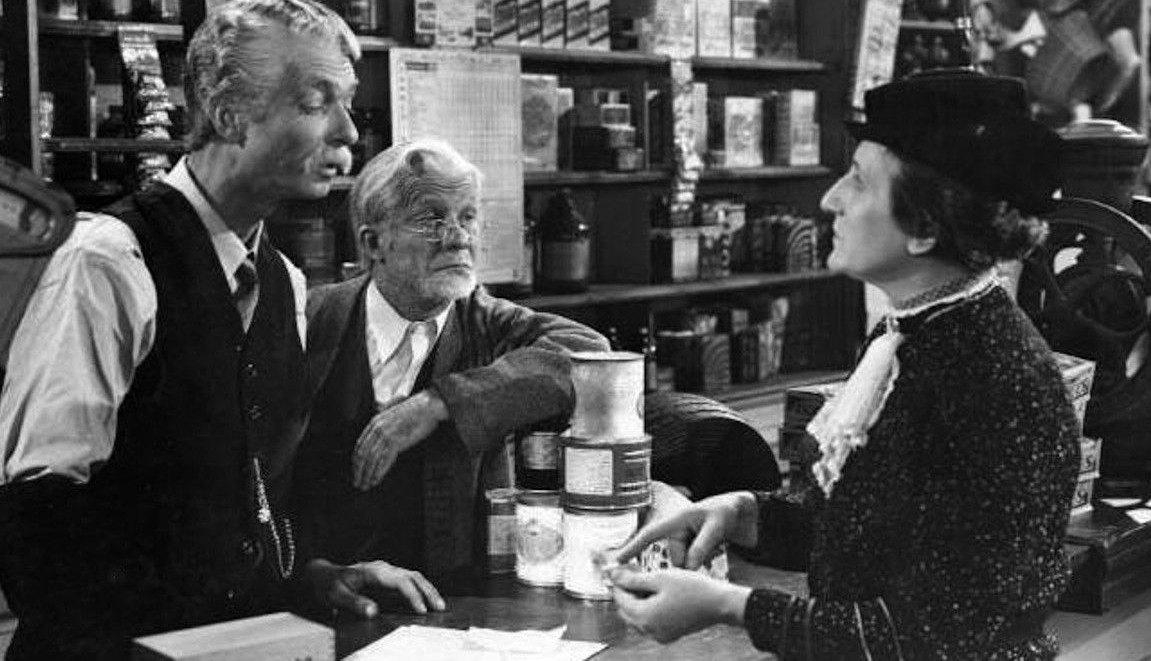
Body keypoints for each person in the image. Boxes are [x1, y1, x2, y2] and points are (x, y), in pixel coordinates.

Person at [0, 0, 441, 661]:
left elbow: (240, 511)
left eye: (346, 103)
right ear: (230, 116)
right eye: (317, 103)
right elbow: (34, 527)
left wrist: (309, 577)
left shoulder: (282, 283)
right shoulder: (108, 261)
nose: (349, 132)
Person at [606, 70, 1081, 660]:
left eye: (858, 180)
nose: (831, 198)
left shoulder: (996, 380)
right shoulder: (907, 335)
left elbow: (935, 636)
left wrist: (730, 606)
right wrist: (740, 514)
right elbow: (863, 533)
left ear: (924, 227)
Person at [294, 137, 608, 583]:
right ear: (374, 242)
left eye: (468, 217)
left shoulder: (490, 324)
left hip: (456, 600)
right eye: (431, 219)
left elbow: (590, 355)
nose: (459, 237)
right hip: (331, 598)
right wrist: (315, 575)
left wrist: (438, 403)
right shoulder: (312, 317)